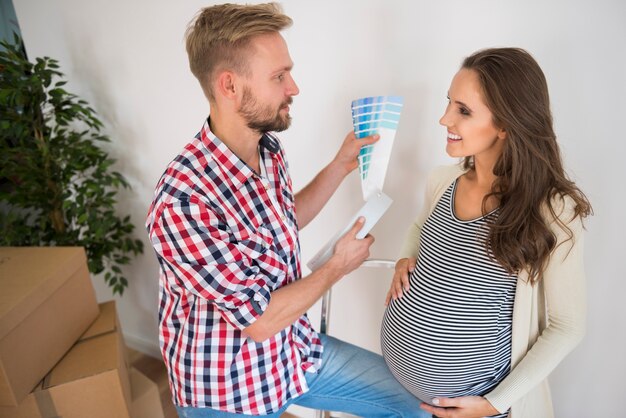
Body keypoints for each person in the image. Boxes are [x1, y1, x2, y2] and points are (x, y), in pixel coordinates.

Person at [146, 3, 428, 417]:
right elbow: (259, 322)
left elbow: (281, 221)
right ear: (229, 86)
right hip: (228, 392)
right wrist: (336, 266)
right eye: (279, 76)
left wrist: (338, 167)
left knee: (417, 403)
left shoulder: (267, 148)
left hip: (293, 355)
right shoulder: (182, 202)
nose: (293, 87)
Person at [381, 47, 592, 418]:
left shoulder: (553, 210)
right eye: (449, 103)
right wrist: (404, 255)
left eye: (463, 110)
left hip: (478, 410)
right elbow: (419, 226)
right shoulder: (443, 181)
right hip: (407, 396)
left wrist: (496, 402)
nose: (444, 119)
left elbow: (567, 326)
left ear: (506, 124)